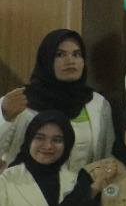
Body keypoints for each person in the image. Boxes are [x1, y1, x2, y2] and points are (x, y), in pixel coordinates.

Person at [0, 28, 114, 171]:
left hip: (85, 191)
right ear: (46, 59)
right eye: (60, 54)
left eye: (77, 54)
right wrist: (5, 116)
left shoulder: (98, 103)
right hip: (27, 190)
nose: (70, 61)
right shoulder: (21, 101)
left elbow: (106, 157)